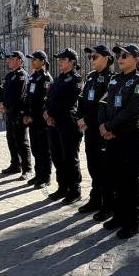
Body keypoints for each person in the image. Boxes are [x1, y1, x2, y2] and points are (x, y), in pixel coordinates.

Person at [98, 44, 139, 239]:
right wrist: (102, 124)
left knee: (129, 181)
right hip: (112, 137)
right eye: (119, 55)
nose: (120, 58)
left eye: (125, 55)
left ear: (136, 59)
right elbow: (103, 102)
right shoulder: (115, 79)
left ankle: (132, 222)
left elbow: (133, 110)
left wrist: (110, 127)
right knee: (114, 179)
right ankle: (119, 216)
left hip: (130, 137)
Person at [77, 45, 116, 220]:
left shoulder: (111, 79)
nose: (91, 59)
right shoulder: (91, 77)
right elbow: (82, 100)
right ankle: (95, 199)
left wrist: (86, 119)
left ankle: (108, 204)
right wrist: (79, 117)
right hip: (89, 130)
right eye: (90, 57)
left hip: (101, 130)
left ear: (107, 58)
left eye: (95, 57)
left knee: (105, 169)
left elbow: (105, 106)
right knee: (93, 166)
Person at [44, 48, 84, 204]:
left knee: (69, 158)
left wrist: (51, 113)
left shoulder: (76, 79)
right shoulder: (58, 78)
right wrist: (46, 112)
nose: (59, 62)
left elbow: (68, 102)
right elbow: (48, 98)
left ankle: (75, 190)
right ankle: (63, 187)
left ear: (72, 62)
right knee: (57, 156)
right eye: (59, 59)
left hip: (68, 123)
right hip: (54, 123)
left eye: (63, 59)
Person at [0, 51, 33, 179]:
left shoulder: (23, 76)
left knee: (22, 141)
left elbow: (20, 96)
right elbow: (1, 90)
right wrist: (1, 102)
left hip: (18, 112)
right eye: (9, 59)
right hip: (9, 113)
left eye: (11, 59)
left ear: (19, 60)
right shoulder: (9, 76)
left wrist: (7, 105)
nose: (9, 61)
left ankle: (27, 169)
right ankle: (15, 164)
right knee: (11, 139)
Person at [23, 51, 53, 188]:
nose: (32, 61)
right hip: (33, 120)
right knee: (35, 149)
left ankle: (45, 177)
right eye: (32, 59)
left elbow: (45, 101)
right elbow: (29, 98)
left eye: (35, 59)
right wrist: (26, 114)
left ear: (42, 61)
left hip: (41, 120)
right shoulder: (33, 77)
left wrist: (37, 115)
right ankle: (38, 174)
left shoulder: (46, 78)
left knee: (43, 150)